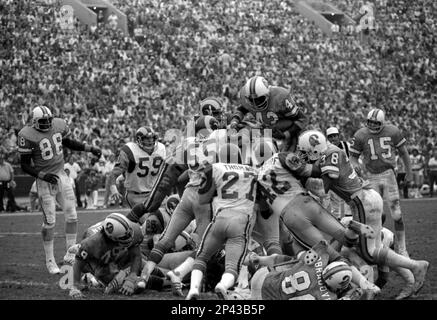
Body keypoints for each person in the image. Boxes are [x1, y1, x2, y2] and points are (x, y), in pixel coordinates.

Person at [297, 129, 430, 300]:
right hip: (366, 199)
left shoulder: (329, 155)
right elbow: (316, 170)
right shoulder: (331, 151)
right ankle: (409, 278)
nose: (303, 156)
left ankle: (415, 266)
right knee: (355, 243)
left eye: (304, 152)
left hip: (362, 203)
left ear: (314, 148)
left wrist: (303, 181)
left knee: (369, 252)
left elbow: (324, 189)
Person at [17, 106, 102, 274]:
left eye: (49, 120)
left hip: (61, 176)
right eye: (43, 121)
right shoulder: (26, 134)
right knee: (50, 221)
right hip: (45, 181)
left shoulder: (59, 124)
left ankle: (70, 256)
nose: (48, 123)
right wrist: (42, 175)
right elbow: (24, 165)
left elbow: (69, 142)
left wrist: (89, 149)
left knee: (72, 215)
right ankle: (50, 261)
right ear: (34, 122)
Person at [186, 143, 258, 300]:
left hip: (220, 218)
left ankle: (193, 289)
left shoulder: (215, 168)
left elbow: (202, 199)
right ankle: (223, 286)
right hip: (241, 221)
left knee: (202, 256)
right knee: (232, 266)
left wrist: (215, 194)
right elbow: (262, 203)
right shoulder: (253, 171)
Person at [349, 108, 412, 257]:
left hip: (388, 174)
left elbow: (404, 152)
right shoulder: (360, 135)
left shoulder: (393, 131)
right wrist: (355, 164)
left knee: (397, 215)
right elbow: (353, 156)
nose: (371, 125)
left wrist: (409, 172)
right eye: (369, 122)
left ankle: (402, 248)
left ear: (382, 123)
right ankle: (375, 246)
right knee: (374, 215)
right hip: (370, 176)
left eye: (375, 123)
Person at [250, 240, 365, 300]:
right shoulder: (328, 296)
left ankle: (260, 259)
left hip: (262, 276)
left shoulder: (320, 260)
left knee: (296, 261)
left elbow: (323, 245)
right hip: (264, 298)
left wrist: (339, 259)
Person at [68, 213, 144, 299]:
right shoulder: (92, 243)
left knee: (142, 266)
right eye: (124, 237)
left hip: (111, 245)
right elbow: (78, 264)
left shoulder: (134, 230)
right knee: (111, 279)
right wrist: (75, 286)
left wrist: (132, 276)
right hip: (96, 252)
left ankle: (161, 281)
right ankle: (75, 251)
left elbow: (136, 256)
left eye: (129, 233)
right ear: (112, 237)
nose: (129, 237)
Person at [229, 75, 307, 152]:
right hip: (265, 130)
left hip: (281, 131)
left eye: (259, 99)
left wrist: (285, 134)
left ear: (267, 94)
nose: (255, 103)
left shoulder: (280, 97)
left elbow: (302, 119)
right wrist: (235, 121)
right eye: (251, 100)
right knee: (238, 131)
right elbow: (242, 109)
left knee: (284, 159)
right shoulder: (245, 95)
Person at [108, 126, 166, 209]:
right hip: (137, 196)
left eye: (152, 138)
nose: (150, 141)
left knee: (169, 217)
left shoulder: (161, 149)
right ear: (139, 140)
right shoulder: (130, 151)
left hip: (155, 192)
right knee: (149, 220)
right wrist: (113, 188)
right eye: (146, 138)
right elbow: (114, 173)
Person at [326, 126, 351, 220]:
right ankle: (337, 225)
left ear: (338, 136)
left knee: (349, 201)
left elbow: (353, 158)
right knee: (335, 204)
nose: (333, 139)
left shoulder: (346, 145)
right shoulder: (326, 148)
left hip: (346, 176)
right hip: (333, 177)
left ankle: (349, 221)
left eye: (334, 136)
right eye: (330, 137)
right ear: (327, 138)